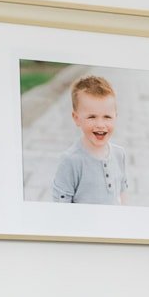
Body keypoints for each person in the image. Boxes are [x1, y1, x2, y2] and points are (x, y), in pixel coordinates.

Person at [49, 75, 123, 204]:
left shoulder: (119, 154)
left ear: (115, 117)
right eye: (91, 117)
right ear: (76, 118)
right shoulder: (70, 160)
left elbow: (122, 190)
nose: (100, 124)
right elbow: (61, 203)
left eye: (107, 116)